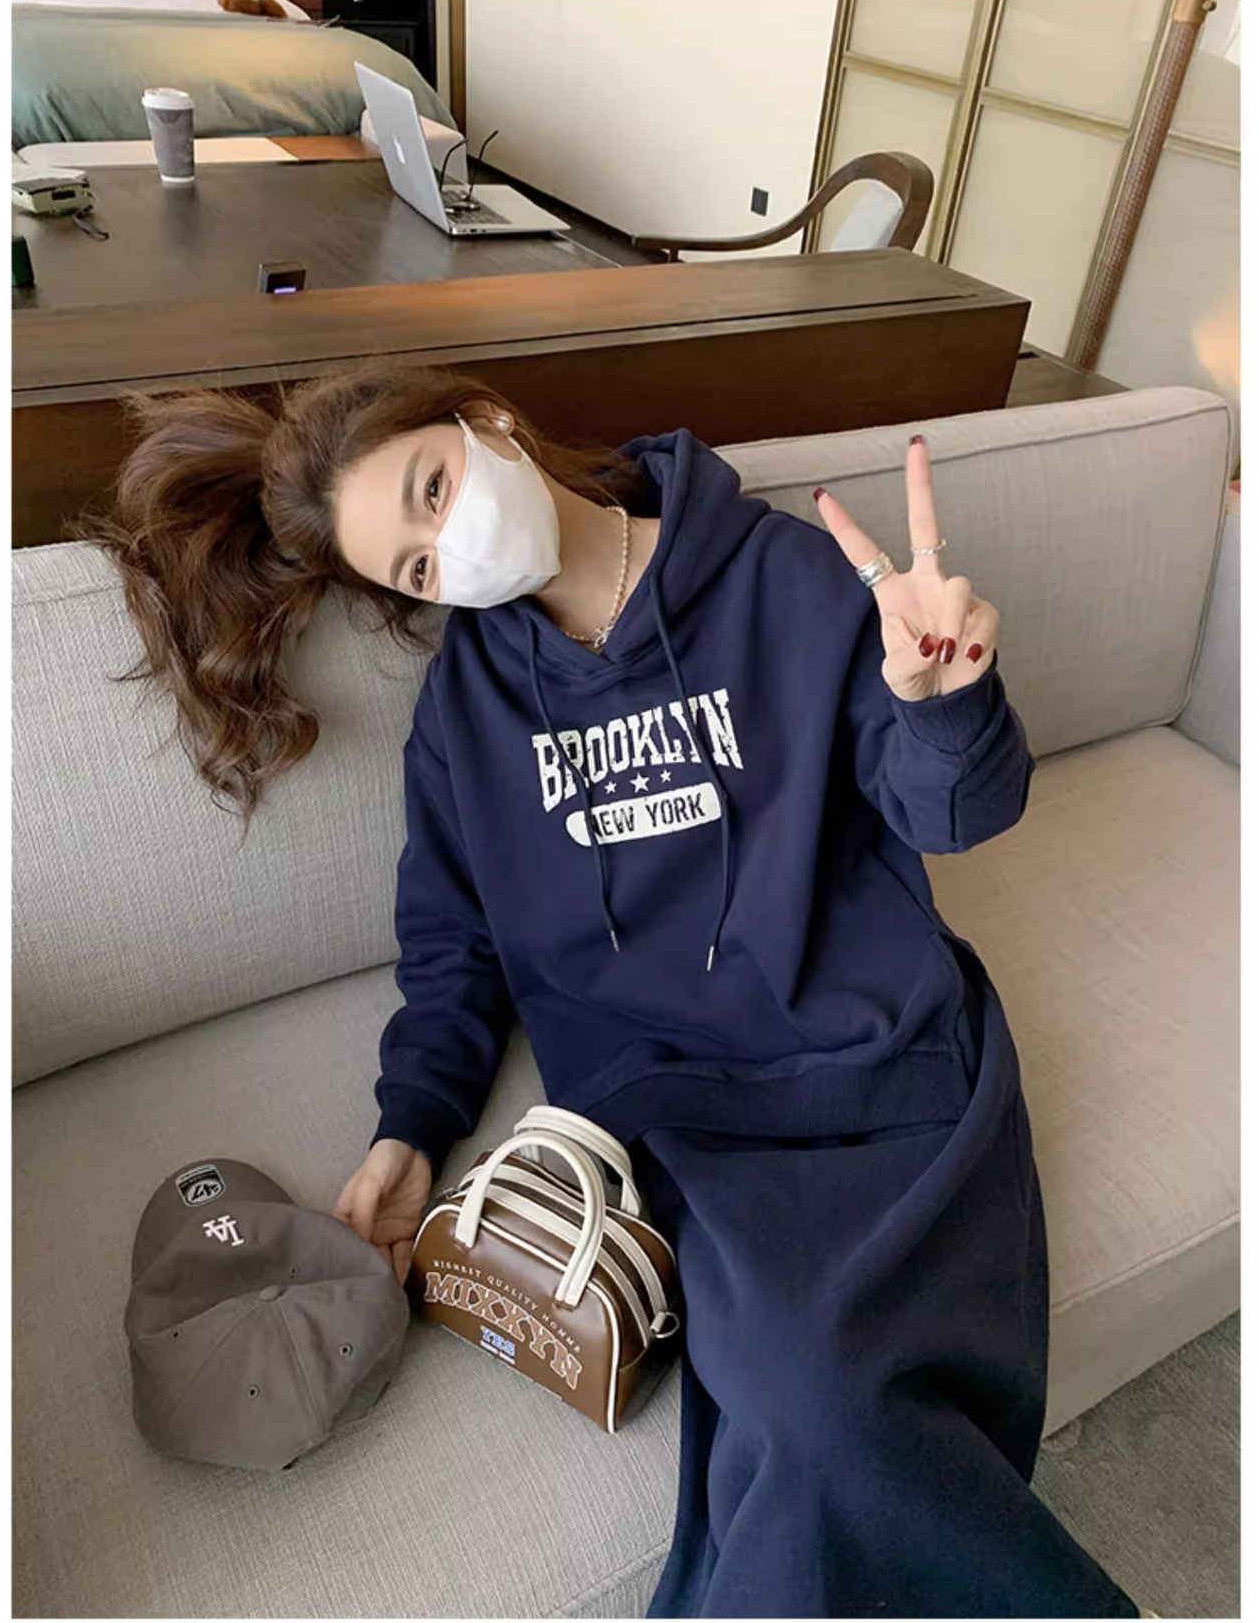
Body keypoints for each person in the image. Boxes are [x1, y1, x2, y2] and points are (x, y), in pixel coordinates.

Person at [76, 364, 1150, 1620]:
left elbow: (955, 814)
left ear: (485, 424)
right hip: (677, 1119)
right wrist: (410, 1126)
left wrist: (946, 698)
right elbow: (451, 943)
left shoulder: (786, 577)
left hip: (882, 1054)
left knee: (818, 1420)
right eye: (416, 565)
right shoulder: (468, 712)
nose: (450, 550)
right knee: (808, 1405)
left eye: (433, 491)